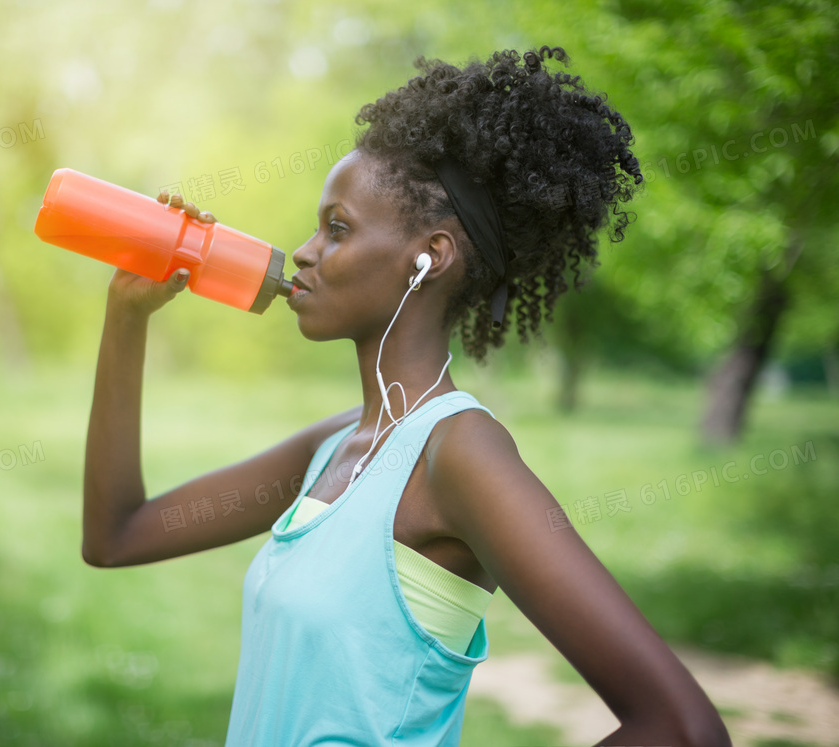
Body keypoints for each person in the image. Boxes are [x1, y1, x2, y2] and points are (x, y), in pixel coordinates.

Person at [81, 46, 731, 747]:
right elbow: (117, 537)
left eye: (337, 229)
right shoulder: (332, 447)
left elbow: (682, 728)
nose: (303, 252)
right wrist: (128, 314)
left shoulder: (459, 454)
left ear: (431, 256)